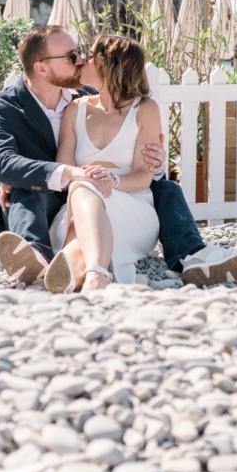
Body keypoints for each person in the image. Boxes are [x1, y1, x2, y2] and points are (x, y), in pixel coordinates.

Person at [0, 25, 237, 288]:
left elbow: (141, 164)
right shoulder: (5, 107)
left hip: (109, 197)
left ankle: (190, 255)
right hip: (57, 199)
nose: (80, 59)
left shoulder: (98, 95)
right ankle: (42, 258)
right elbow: (6, 162)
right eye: (71, 56)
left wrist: (153, 163)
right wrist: (35, 174)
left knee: (165, 187)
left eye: (82, 52)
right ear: (41, 68)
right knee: (34, 188)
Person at [44, 34, 162, 293]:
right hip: (80, 206)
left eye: (89, 55)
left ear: (107, 64)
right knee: (83, 190)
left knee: (85, 193)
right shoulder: (75, 109)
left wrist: (112, 179)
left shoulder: (145, 109)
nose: (82, 60)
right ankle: (83, 276)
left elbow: (145, 176)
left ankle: (91, 273)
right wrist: (88, 178)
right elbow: (64, 170)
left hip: (131, 207)